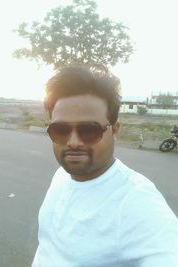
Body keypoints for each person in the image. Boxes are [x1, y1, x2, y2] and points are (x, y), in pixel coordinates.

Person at [32, 65, 178, 267]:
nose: (73, 141)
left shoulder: (138, 202)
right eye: (60, 130)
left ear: (115, 130)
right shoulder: (62, 175)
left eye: (89, 130)